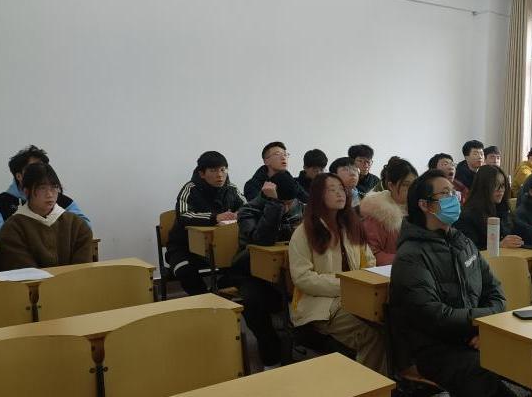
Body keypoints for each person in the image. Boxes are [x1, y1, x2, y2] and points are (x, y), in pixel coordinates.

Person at [389, 169, 525, 397]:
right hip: (437, 349)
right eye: (446, 193)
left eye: (454, 192)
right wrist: (480, 324)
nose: (455, 197)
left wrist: (484, 329)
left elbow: (496, 292)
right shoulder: (411, 256)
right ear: (425, 205)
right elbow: (434, 315)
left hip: (473, 336)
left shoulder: (462, 242)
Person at [288, 173, 385, 374]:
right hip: (321, 306)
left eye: (341, 188)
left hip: (356, 297)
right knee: (371, 335)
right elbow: (303, 278)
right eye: (331, 189)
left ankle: (391, 380)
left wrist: (358, 285)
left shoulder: (351, 226)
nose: (339, 193)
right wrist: (346, 285)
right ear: (318, 196)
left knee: (390, 324)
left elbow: (369, 262)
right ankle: (367, 387)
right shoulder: (304, 232)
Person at [231, 171, 304, 370]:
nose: (288, 207)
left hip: (289, 270)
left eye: (290, 203)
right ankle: (271, 357)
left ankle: (302, 343)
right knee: (253, 302)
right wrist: (275, 205)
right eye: (283, 203)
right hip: (250, 271)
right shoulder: (248, 210)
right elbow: (261, 241)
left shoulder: (301, 207)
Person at [165, 151, 247, 295]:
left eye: (223, 170)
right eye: (213, 170)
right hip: (184, 247)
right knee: (184, 270)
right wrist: (215, 218)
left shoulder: (231, 189)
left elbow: (248, 208)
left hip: (220, 246)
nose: (220, 175)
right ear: (202, 173)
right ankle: (205, 300)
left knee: (243, 265)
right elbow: (183, 215)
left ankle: (218, 293)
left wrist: (238, 214)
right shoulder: (190, 189)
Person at [0, 163, 92, 270]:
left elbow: (83, 270)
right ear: (26, 191)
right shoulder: (12, 228)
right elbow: (24, 273)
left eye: (54, 187)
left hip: (74, 280)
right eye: (42, 188)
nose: (50, 194)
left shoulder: (77, 224)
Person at [0, 145, 90, 241]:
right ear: (19, 176)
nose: (40, 172)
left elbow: (85, 227)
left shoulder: (60, 199)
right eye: (33, 169)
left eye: (43, 167)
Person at [360, 157, 417, 265]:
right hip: (390, 271)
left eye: (414, 185)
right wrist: (407, 260)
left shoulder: (419, 210)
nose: (412, 189)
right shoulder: (378, 212)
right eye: (406, 185)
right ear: (391, 185)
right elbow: (371, 254)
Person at [455, 165, 523, 251]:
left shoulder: (502, 209)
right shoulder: (468, 215)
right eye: (495, 185)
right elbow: (468, 249)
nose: (501, 190)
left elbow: (520, 228)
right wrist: (498, 245)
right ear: (483, 186)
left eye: (503, 185)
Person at [244, 142, 308, 202]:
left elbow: (307, 202)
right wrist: (273, 198)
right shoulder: (252, 185)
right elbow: (255, 207)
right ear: (266, 161)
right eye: (277, 154)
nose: (283, 157)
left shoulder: (292, 182)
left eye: (285, 154)